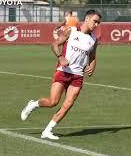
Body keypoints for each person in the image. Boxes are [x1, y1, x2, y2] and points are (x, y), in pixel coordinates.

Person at [20, 10, 102, 140]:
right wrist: (60, 57)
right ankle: (33, 104)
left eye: (98, 22)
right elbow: (54, 44)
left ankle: (47, 130)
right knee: (53, 102)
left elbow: (92, 57)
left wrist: (92, 67)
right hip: (63, 71)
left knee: (68, 104)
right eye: (95, 21)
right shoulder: (72, 30)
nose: (96, 24)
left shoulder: (93, 39)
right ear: (87, 19)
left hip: (78, 75)